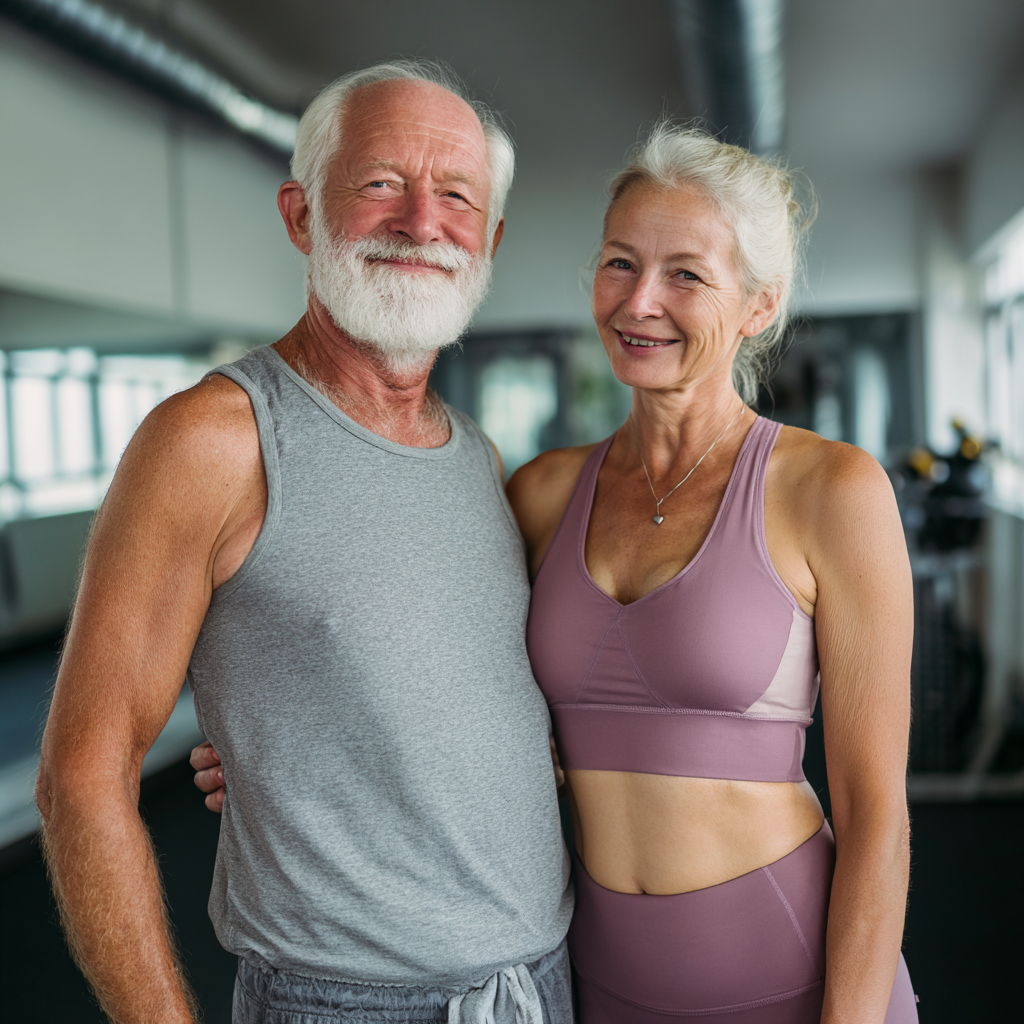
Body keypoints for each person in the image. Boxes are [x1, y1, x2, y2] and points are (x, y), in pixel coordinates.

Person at [35, 61, 573, 1024]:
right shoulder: (214, 440)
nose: (421, 221)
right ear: (299, 215)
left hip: (536, 984)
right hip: (343, 1003)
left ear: (488, 241)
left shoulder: (477, 461)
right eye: (379, 184)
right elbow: (81, 776)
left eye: (456, 196)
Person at [511, 126, 919, 1022]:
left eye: (686, 274)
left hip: (795, 977)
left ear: (758, 305)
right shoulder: (541, 494)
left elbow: (877, 818)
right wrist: (288, 747)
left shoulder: (831, 491)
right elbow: (447, 693)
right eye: (620, 262)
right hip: (602, 982)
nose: (639, 300)